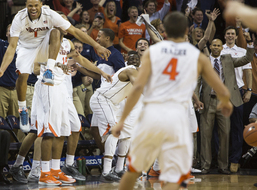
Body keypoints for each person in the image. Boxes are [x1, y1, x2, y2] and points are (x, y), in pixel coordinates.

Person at [111, 11, 233, 190]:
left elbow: (137, 88)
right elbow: (222, 90)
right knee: (176, 178)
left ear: (165, 31)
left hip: (152, 115)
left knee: (133, 170)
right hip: (177, 118)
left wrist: (122, 120)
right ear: (186, 30)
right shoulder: (196, 56)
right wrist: (225, 102)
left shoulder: (153, 52)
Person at [0, 0, 110, 133]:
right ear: (26, 6)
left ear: (41, 4)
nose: (33, 8)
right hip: (26, 47)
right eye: (30, 6)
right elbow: (11, 47)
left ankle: (49, 70)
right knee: (22, 75)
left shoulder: (50, 15)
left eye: (36, 5)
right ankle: (22, 110)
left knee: (55, 32)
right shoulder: (19, 18)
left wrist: (96, 46)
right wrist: (3, 69)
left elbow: (75, 32)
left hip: (44, 45)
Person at [32, 18, 112, 185]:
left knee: (64, 129)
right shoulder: (43, 39)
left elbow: (79, 59)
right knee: (49, 130)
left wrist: (100, 72)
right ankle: (43, 173)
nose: (65, 26)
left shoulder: (67, 42)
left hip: (61, 87)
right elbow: (35, 67)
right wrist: (54, 67)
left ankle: (55, 169)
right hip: (48, 85)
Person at [90, 51, 140, 182]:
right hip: (102, 99)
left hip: (114, 104)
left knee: (127, 133)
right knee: (115, 131)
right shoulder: (131, 70)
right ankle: (106, 172)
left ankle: (119, 169)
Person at [220, 26, 253, 173]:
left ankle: (234, 160)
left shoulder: (242, 51)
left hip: (237, 91)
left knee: (237, 127)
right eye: (228, 34)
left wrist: (249, 90)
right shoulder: (218, 49)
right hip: (219, 91)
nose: (230, 36)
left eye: (233, 34)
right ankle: (221, 161)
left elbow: (248, 71)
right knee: (220, 128)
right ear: (225, 35)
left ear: (235, 36)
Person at [90, 28, 125, 157]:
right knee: (94, 129)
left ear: (107, 38)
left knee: (112, 129)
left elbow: (122, 75)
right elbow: (98, 75)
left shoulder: (115, 55)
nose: (97, 38)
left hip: (110, 98)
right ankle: (108, 155)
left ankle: (116, 157)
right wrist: (79, 67)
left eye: (99, 36)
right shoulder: (101, 54)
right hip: (100, 95)